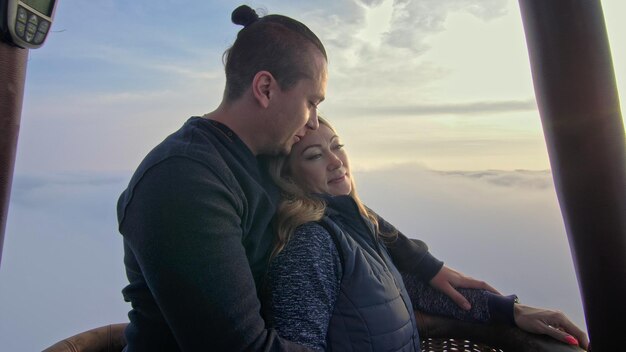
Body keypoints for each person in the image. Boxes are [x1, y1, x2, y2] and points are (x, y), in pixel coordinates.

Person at [118, 4, 514, 351]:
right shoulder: (184, 182)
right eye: (312, 102)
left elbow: (345, 213)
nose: (312, 121)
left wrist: (426, 264)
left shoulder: (255, 161)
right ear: (266, 88)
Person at [263, 117, 590, 351]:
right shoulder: (310, 244)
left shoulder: (358, 227)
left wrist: (509, 310)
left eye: (337, 146)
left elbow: (411, 292)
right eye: (315, 155)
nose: (336, 161)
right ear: (288, 176)